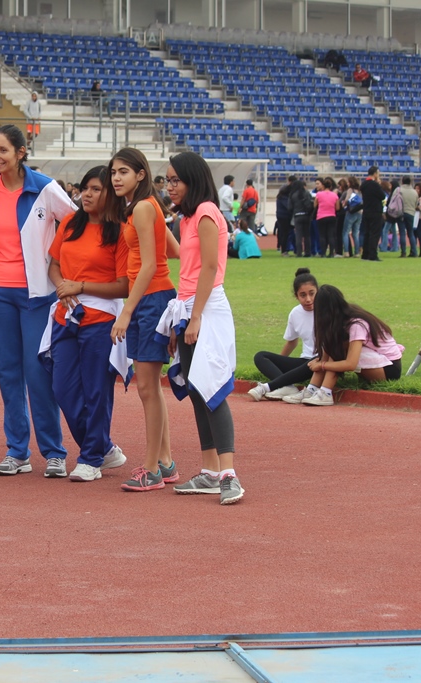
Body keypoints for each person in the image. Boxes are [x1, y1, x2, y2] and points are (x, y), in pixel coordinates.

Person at [0, 124, 78, 476]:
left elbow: (77, 224)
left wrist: (58, 265)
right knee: (8, 374)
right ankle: (17, 451)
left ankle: (54, 452)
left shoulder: (44, 188)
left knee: (38, 372)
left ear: (20, 153)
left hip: (36, 296)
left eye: (3, 150)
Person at [155, 152, 242, 505]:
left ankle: (229, 474)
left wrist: (196, 318)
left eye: (176, 180)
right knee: (196, 391)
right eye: (168, 180)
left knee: (212, 388)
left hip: (207, 308)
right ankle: (210, 472)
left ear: (194, 179)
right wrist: (181, 320)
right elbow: (188, 271)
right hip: (190, 306)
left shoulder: (206, 211)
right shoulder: (187, 216)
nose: (170, 186)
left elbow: (209, 268)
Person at [36, 166, 128, 483]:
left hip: (101, 320)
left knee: (96, 390)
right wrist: (63, 286)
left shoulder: (120, 231)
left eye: (95, 189)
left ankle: (91, 458)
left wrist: (82, 286)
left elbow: (124, 285)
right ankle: (103, 447)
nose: (86, 194)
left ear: (111, 194)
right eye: (84, 188)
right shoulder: (71, 223)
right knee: (62, 388)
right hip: (66, 316)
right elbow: (54, 264)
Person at [106, 149, 179, 492]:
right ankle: (164, 462)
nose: (116, 178)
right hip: (150, 297)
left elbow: (150, 265)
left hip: (150, 299)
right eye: (113, 172)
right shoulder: (144, 207)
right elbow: (173, 249)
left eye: (123, 171)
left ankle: (151, 469)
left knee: (149, 388)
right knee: (150, 387)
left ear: (140, 174)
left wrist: (127, 311)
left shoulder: (144, 207)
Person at [292, 285, 404, 406]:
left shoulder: (356, 324)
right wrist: (320, 361)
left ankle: (326, 393)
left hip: (389, 369)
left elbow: (351, 364)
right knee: (334, 347)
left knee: (337, 350)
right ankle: (311, 390)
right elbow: (327, 353)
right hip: (378, 362)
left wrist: (322, 365)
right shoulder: (340, 320)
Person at [248, 268, 318, 402]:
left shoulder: (327, 309)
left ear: (318, 291)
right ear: (296, 296)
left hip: (320, 361)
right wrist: (279, 363)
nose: (308, 299)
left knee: (315, 360)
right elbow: (292, 342)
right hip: (304, 361)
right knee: (260, 356)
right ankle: (287, 386)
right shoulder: (295, 313)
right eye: (303, 295)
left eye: (312, 293)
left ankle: (270, 386)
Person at [360, 167, 385, 261]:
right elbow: (382, 196)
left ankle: (365, 254)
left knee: (367, 233)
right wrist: (379, 184)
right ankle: (373, 254)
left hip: (366, 210)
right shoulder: (374, 184)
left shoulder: (364, 184)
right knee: (374, 233)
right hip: (375, 211)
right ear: (375, 174)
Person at [314, 177, 338, 258]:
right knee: (331, 235)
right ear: (331, 186)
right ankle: (331, 253)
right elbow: (337, 207)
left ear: (323, 186)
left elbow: (315, 205)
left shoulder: (319, 194)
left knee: (322, 235)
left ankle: (323, 253)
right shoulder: (334, 195)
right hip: (331, 216)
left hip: (321, 216)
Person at [290, 179, 314, 257]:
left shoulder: (293, 195)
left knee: (298, 235)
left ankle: (299, 252)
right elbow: (311, 205)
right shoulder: (307, 193)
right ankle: (308, 252)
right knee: (307, 235)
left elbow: (289, 207)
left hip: (297, 215)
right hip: (306, 215)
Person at [340, 175, 362, 257]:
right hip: (359, 212)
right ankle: (357, 252)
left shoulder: (350, 190)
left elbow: (346, 199)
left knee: (345, 232)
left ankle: (346, 251)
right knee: (355, 233)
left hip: (351, 212)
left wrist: (344, 205)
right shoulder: (360, 190)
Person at [396, 176, 418, 257]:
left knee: (402, 233)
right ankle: (414, 251)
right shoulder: (414, 192)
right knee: (411, 233)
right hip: (411, 213)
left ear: (402, 181)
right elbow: (416, 203)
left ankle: (403, 252)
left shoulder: (398, 190)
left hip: (401, 213)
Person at [275, 178, 295, 256]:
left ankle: (285, 249)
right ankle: (284, 250)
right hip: (284, 217)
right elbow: (288, 207)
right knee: (285, 234)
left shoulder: (280, 197)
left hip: (282, 216)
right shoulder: (284, 198)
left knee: (285, 233)